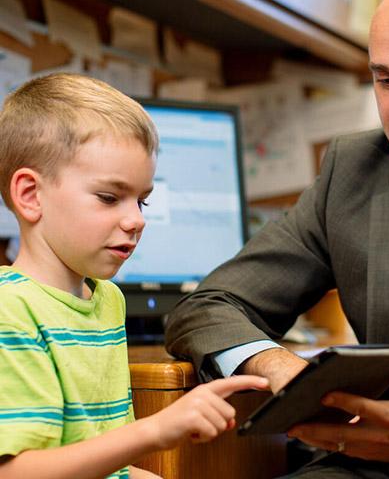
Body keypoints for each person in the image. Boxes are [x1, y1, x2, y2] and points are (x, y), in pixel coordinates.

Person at [166, 0, 389, 478]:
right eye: (385, 79)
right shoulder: (353, 172)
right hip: (376, 466)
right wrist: (279, 366)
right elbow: (206, 307)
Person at [0, 73, 268, 479]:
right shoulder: (11, 311)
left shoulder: (107, 300)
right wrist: (154, 430)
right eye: (110, 198)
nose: (136, 220)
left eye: (142, 201)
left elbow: (108, 464)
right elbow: (18, 472)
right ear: (30, 195)